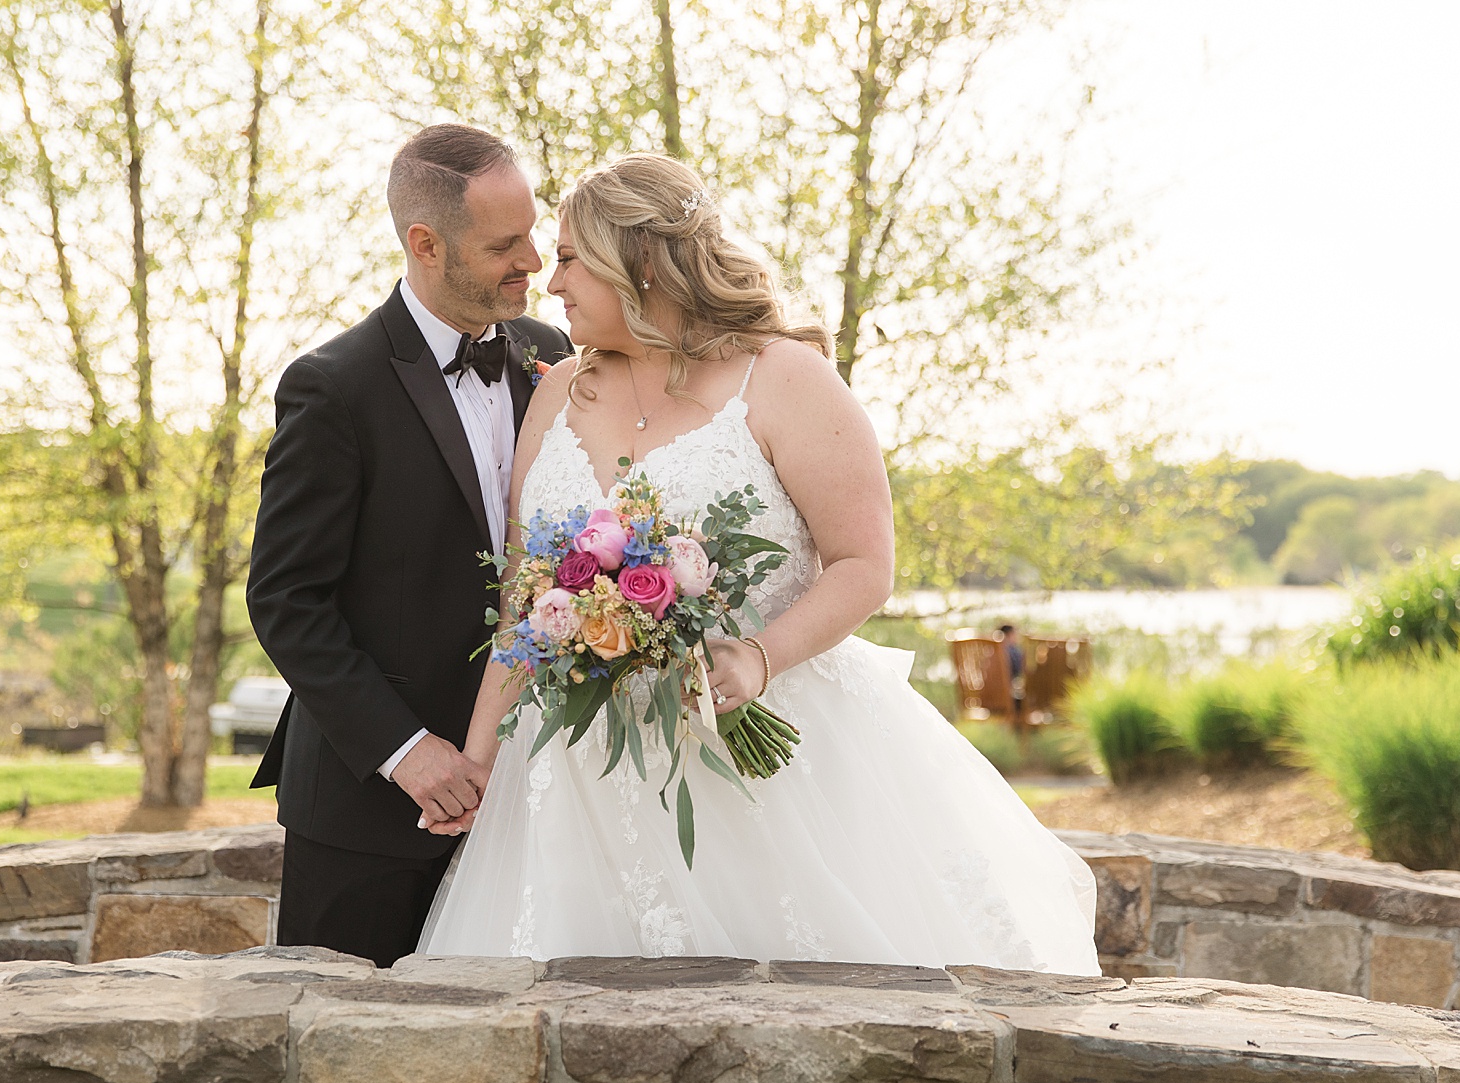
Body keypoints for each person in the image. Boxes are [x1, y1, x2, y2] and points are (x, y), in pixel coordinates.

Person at [418, 154, 1098, 972]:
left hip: (767, 762)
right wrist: (481, 757)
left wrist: (758, 655)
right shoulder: (558, 393)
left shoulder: (782, 378)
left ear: (636, 262)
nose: (549, 280)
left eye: (568, 258)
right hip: (576, 778)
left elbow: (862, 563)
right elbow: (524, 605)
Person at [246, 125, 571, 967]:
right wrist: (407, 751)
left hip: (531, 801)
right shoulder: (332, 386)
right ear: (426, 244)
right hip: (371, 817)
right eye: (504, 244)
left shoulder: (555, 357)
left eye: (532, 233)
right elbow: (286, 601)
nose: (532, 260)